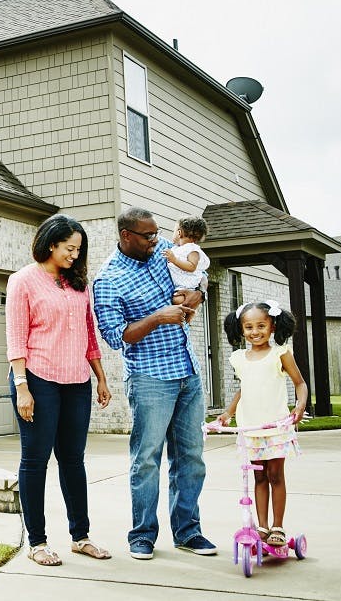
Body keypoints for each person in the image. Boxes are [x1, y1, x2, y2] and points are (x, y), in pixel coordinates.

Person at [91, 207, 216, 560]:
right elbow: (117, 337)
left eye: (157, 233)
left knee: (191, 458)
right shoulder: (109, 279)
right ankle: (142, 534)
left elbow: (200, 275)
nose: (155, 240)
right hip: (149, 378)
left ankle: (188, 533)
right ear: (126, 236)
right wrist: (159, 316)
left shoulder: (163, 254)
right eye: (147, 236)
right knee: (146, 459)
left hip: (187, 370)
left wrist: (199, 296)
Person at [6, 214, 113, 566]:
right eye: (70, 248)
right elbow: (16, 339)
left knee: (73, 460)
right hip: (37, 378)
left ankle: (80, 536)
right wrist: (22, 387)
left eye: (78, 249)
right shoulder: (23, 281)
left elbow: (88, 334)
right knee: (36, 460)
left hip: (76, 381)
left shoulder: (78, 284)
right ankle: (37, 542)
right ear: (51, 244)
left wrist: (100, 376)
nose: (74, 255)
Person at [217, 300, 308, 547]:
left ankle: (278, 526)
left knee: (276, 474)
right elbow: (243, 389)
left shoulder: (280, 353)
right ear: (241, 329)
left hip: (276, 427)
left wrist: (299, 406)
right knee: (258, 478)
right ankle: (262, 527)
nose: (255, 332)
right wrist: (227, 413)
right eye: (248, 327)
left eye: (260, 326)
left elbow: (300, 383)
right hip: (251, 429)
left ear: (273, 325)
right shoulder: (238, 358)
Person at [162, 217, 210, 314]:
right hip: (179, 285)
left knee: (176, 300)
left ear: (179, 233)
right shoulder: (177, 249)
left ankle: (189, 314)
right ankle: (188, 315)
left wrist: (174, 259)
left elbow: (192, 267)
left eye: (174, 231)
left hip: (187, 286)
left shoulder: (193, 250)